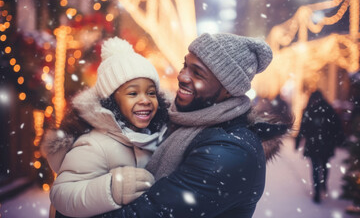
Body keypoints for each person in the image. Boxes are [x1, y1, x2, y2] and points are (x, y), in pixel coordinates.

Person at [54, 33, 292, 218]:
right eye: (185, 65)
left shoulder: (228, 152)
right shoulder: (175, 122)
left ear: (228, 89)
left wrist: (71, 212)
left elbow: (147, 214)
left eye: (197, 73)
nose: (182, 76)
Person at [40, 37, 169, 217]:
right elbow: (61, 194)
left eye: (151, 92)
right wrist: (112, 188)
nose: (145, 100)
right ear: (111, 100)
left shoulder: (158, 135)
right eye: (133, 93)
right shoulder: (96, 143)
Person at [295, 89, 345, 204]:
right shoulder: (327, 109)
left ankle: (320, 186)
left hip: (317, 144)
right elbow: (336, 126)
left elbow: (303, 127)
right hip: (323, 144)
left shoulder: (312, 110)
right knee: (320, 166)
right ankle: (319, 189)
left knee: (319, 167)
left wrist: (298, 141)